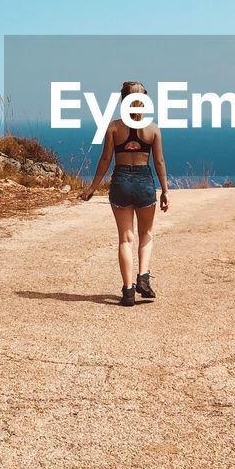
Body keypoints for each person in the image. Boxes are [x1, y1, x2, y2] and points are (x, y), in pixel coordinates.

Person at [79, 80, 169, 306]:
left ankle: (128, 292)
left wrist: (91, 188)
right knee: (146, 233)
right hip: (144, 181)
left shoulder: (113, 128)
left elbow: (105, 160)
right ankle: (144, 277)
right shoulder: (153, 129)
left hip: (120, 181)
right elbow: (158, 162)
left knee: (125, 239)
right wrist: (165, 191)